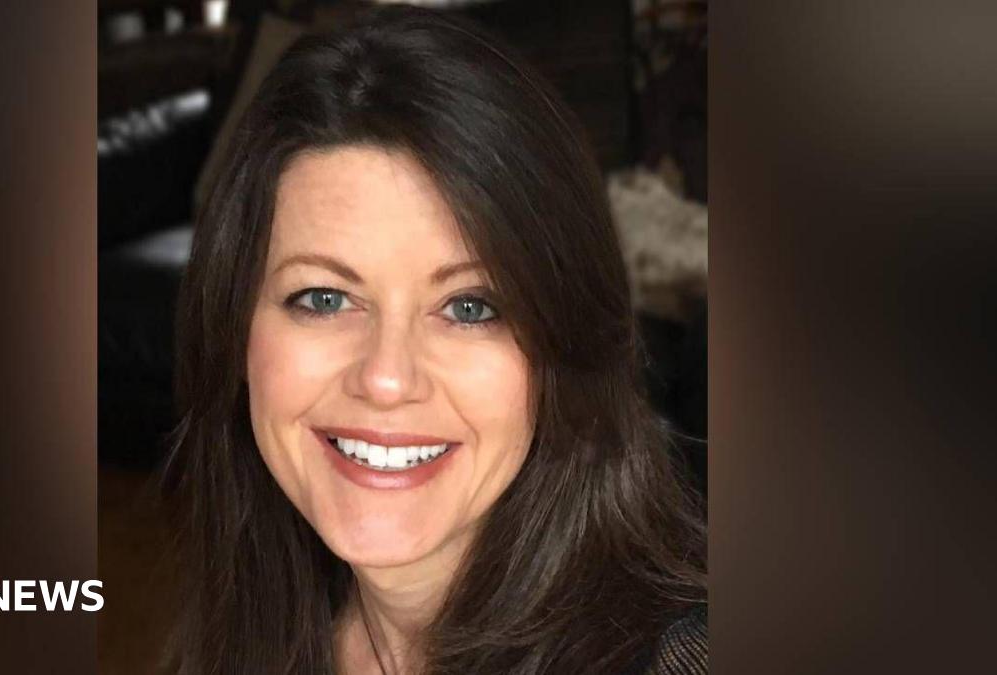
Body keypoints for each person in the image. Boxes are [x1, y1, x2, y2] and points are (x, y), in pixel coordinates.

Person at [164, 6, 706, 674]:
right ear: (237, 328)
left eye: (470, 307)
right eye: (325, 298)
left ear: (564, 346)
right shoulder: (247, 636)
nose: (387, 378)